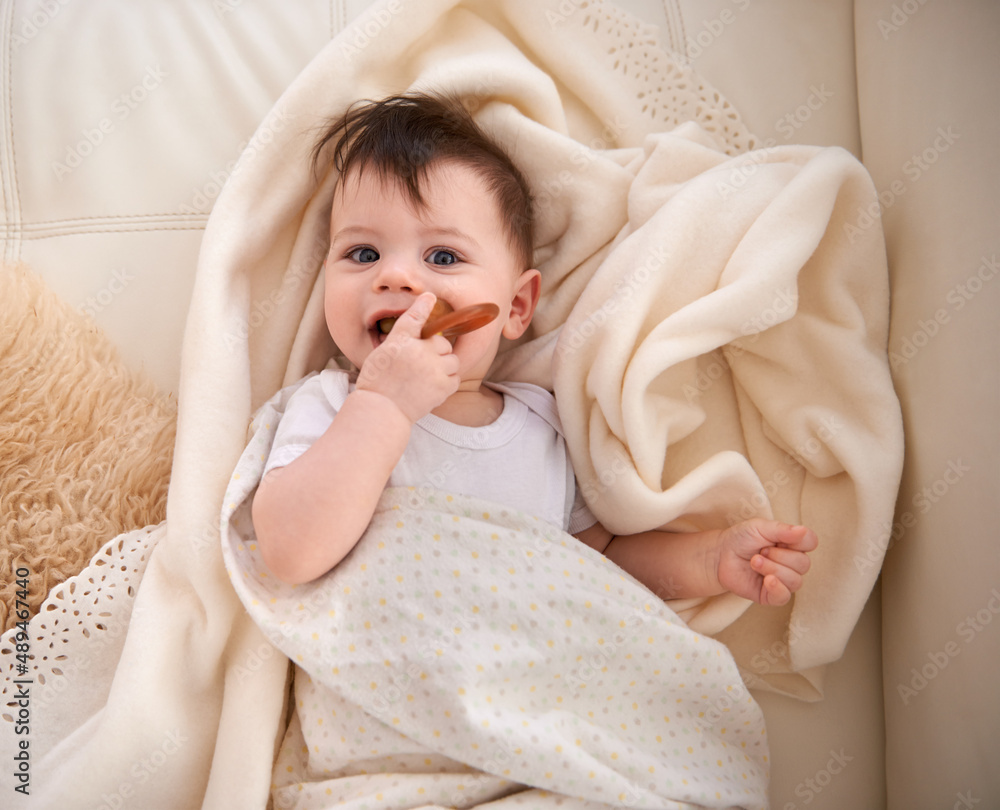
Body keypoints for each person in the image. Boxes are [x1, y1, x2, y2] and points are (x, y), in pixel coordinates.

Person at [251, 93, 817, 607]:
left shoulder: (540, 426)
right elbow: (290, 554)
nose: (395, 276)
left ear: (517, 308)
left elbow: (597, 570)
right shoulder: (329, 408)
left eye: (443, 257)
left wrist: (709, 561)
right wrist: (383, 405)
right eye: (363, 254)